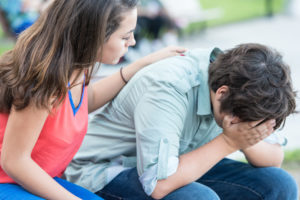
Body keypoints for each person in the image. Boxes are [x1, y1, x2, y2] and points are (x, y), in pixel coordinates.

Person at [0, 0, 186, 199]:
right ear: (93, 35)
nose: (131, 42)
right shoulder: (44, 79)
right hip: (9, 180)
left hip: (34, 178)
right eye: (125, 36)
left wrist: (142, 64)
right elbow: (14, 161)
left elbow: (85, 101)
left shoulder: (75, 66)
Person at [64, 43, 298, 200]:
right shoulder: (170, 86)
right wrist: (229, 142)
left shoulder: (249, 82)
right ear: (222, 92)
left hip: (177, 162)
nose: (246, 126)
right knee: (200, 198)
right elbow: (157, 185)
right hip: (107, 170)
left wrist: (244, 136)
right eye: (244, 120)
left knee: (279, 185)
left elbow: (273, 159)